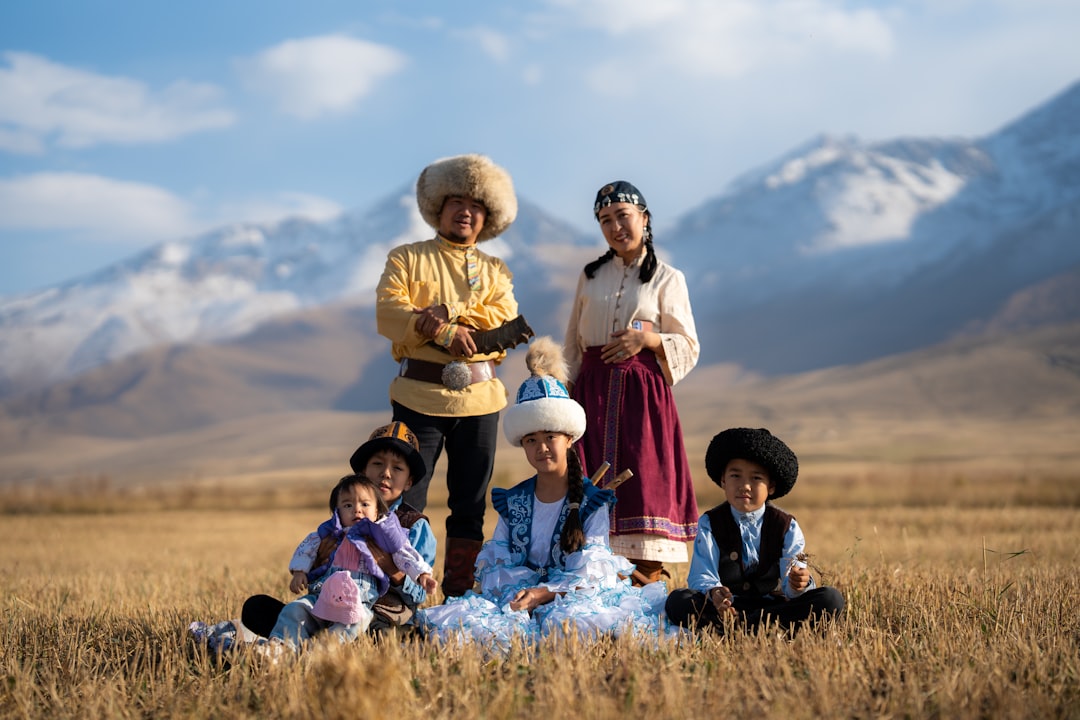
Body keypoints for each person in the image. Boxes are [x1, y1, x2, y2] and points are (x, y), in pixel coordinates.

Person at [418, 337, 667, 650]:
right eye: (531, 440)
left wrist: (545, 593)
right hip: (521, 600)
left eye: (550, 436)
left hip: (570, 600)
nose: (542, 448)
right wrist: (522, 595)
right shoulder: (513, 502)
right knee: (466, 622)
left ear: (569, 439)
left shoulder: (592, 503)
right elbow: (499, 566)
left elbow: (593, 576)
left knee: (570, 626)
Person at [376, 153, 520, 598]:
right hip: (417, 396)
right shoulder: (406, 259)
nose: (465, 211)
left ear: (487, 217)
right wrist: (451, 331)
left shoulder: (497, 271)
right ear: (438, 207)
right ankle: (398, 594)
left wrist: (447, 314)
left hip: (480, 401)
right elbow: (390, 312)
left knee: (470, 505)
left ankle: (459, 597)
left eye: (476, 205)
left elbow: (504, 327)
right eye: (456, 201)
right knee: (403, 499)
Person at [564, 180, 700, 585]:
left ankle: (646, 584)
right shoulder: (590, 276)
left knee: (644, 479)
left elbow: (688, 345)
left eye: (622, 216)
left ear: (644, 218)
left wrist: (649, 339)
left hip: (643, 402)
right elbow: (573, 344)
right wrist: (562, 401)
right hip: (591, 394)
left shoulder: (667, 278)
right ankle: (593, 580)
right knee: (587, 483)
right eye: (605, 220)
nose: (615, 226)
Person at [239, 422, 438, 638]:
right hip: (332, 605)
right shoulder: (344, 518)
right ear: (363, 472)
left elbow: (418, 595)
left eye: (397, 468)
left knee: (381, 634)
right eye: (378, 464)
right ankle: (309, 633)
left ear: (408, 482)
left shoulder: (415, 526)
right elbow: (321, 574)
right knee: (258, 607)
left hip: (381, 615)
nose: (386, 473)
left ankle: (314, 639)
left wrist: (390, 567)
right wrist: (317, 565)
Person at [665, 428, 846, 634]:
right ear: (723, 480)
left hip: (773, 608)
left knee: (830, 599)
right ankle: (758, 630)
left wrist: (798, 584)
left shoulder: (786, 526)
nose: (745, 486)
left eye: (756, 478)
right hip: (726, 610)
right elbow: (702, 574)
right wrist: (715, 593)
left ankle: (736, 630)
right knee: (678, 601)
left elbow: (792, 578)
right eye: (735, 475)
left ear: (771, 486)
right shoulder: (709, 522)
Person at [263, 474, 437, 651]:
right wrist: (300, 572)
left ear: (377, 511)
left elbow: (404, 554)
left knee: (358, 622)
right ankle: (279, 649)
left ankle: (319, 651)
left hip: (359, 603)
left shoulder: (383, 535)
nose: (357, 510)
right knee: (294, 609)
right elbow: (306, 549)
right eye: (348, 505)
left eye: (365, 504)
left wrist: (422, 574)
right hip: (322, 598)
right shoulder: (329, 534)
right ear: (337, 512)